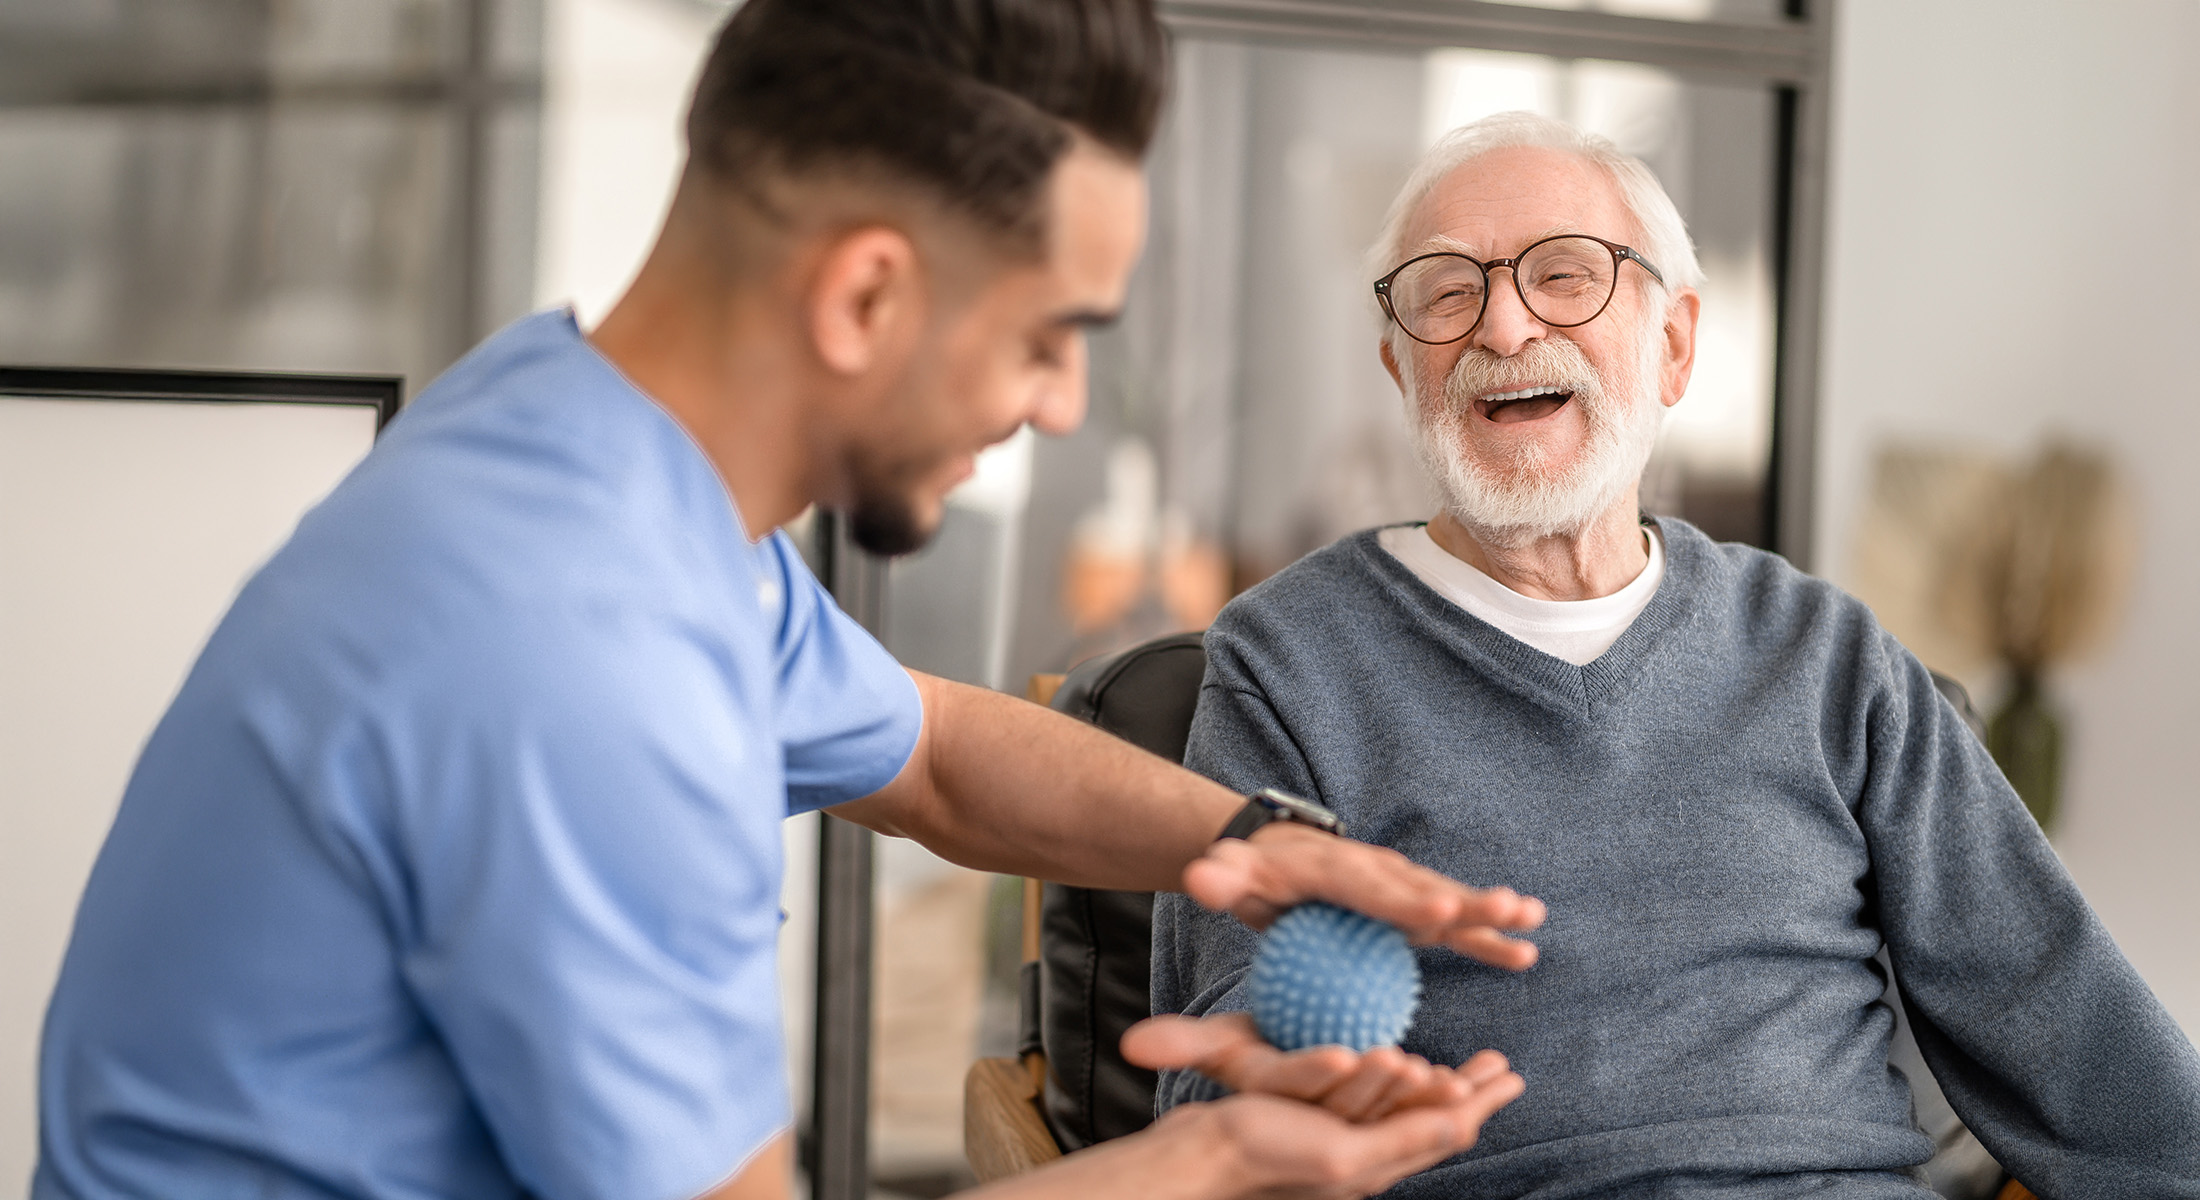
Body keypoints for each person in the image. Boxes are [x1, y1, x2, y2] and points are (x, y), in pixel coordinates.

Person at [31, 5, 1556, 1200]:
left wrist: (1257, 850)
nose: (1065, 401)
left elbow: (942, 757)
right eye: (1048, 334)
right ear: (865, 297)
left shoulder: (586, 458)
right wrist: (1216, 1161)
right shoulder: (579, 662)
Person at [1151, 110, 2200, 1198]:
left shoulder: (1830, 660)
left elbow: (2074, 1039)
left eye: (1564, 275)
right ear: (1397, 365)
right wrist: (1294, 1084)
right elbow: (1223, 1084)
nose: (1503, 327)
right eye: (1447, 291)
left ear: (1675, 344)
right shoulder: (1288, 665)